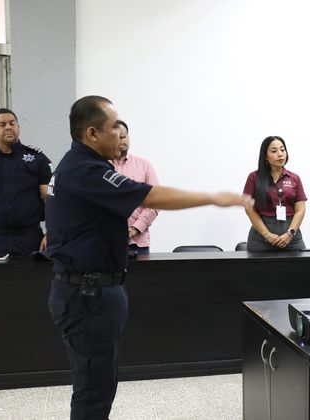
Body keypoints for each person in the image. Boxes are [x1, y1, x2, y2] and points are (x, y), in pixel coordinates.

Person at [45, 95, 254, 420]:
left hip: (89, 290)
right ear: (92, 134)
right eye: (114, 126)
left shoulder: (78, 166)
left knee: (97, 385)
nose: (121, 133)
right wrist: (213, 197)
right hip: (87, 294)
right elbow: (151, 195)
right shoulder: (87, 171)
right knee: (93, 391)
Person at [0, 109, 52, 255]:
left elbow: (51, 199)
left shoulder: (37, 158)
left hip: (29, 237)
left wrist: (52, 233)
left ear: (18, 128)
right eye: (2, 124)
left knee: (31, 278)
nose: (9, 127)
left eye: (12, 123)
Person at [242, 136, 307, 251]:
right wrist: (267, 235)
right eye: (274, 151)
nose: (280, 154)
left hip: (292, 239)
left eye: (282, 150)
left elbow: (300, 210)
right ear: (265, 155)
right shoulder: (254, 177)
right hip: (261, 239)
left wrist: (290, 234)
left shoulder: (294, 178)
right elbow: (249, 209)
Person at [111, 120, 159, 254]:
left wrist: (135, 228)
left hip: (138, 243)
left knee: (141, 276)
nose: (121, 140)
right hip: (107, 243)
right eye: (116, 137)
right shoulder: (100, 167)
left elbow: (155, 202)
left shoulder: (144, 166)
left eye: (124, 136)